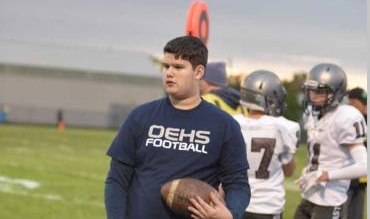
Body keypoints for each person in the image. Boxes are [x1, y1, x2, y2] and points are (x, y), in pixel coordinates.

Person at [104, 36, 250, 219]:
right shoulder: (140, 116)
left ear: (198, 72)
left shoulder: (225, 125)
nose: (169, 73)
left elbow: (238, 185)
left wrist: (230, 214)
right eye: (166, 66)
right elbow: (117, 179)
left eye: (178, 67)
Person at [294, 63, 367, 219]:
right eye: (311, 91)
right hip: (310, 196)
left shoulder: (346, 116)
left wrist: (326, 175)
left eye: (319, 92)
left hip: (331, 199)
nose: (313, 96)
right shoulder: (314, 116)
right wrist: (310, 171)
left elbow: (364, 167)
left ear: (336, 93)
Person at [233, 70, 299, 219]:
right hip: (267, 206)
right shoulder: (282, 127)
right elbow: (289, 171)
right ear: (267, 99)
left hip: (235, 203)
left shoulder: (231, 123)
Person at [343, 87, 367, 219]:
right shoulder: (344, 120)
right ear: (352, 102)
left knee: (356, 216)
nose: (365, 107)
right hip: (344, 178)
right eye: (362, 103)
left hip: (361, 180)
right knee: (338, 213)